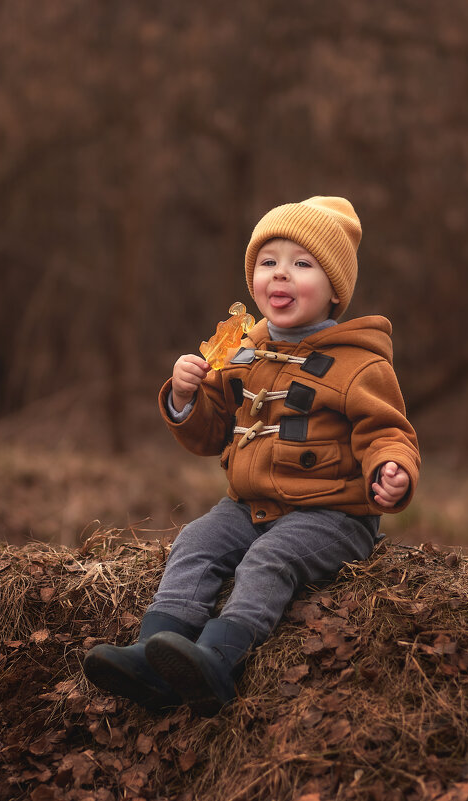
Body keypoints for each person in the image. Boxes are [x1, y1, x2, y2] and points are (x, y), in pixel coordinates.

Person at [83, 196, 421, 716]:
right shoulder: (241, 350)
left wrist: (390, 468)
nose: (280, 275)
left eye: (302, 265)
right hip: (249, 505)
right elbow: (210, 433)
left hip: (332, 515)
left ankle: (218, 658)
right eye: (269, 262)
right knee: (197, 540)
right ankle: (155, 650)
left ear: (335, 290)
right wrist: (184, 396)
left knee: (269, 558)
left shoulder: (358, 364)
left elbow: (387, 431)